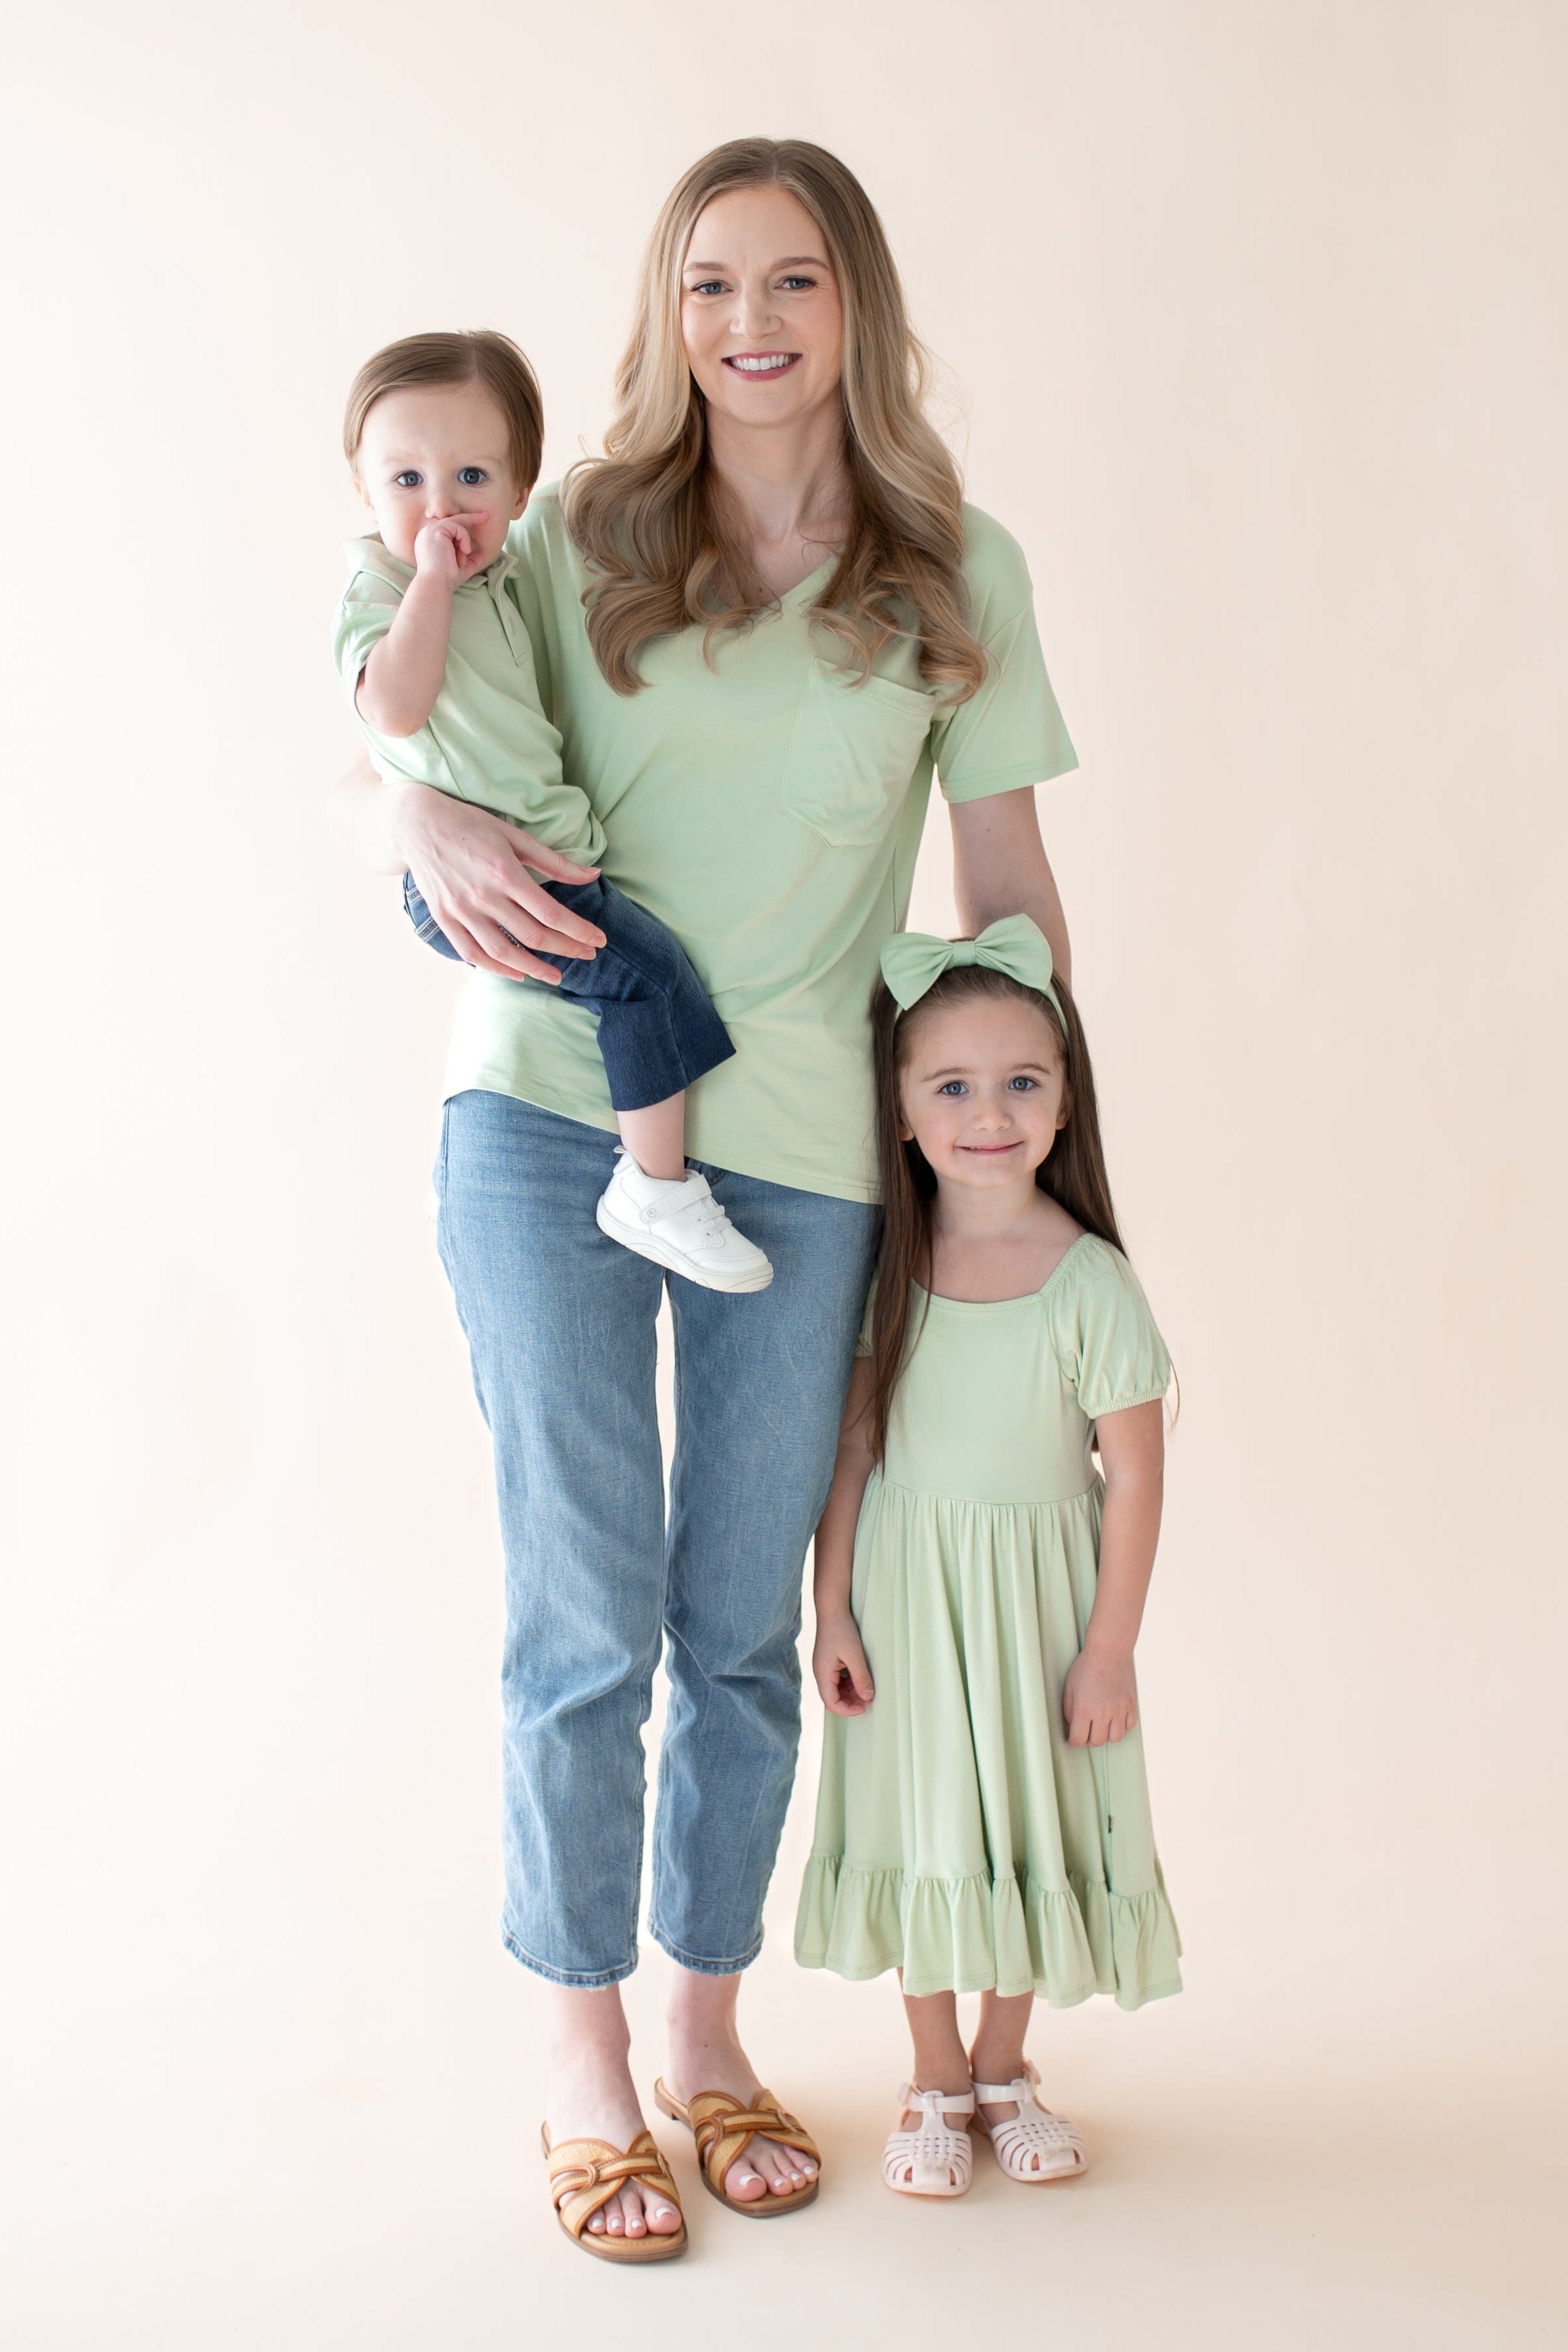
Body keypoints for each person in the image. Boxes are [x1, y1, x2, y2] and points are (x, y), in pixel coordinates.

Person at [336, 136, 1078, 2261]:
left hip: (813, 1151)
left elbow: (1005, 894)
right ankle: (581, 2059)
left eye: (788, 281)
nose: (746, 325)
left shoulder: (955, 571)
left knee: (736, 1632)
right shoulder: (567, 540)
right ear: (665, 320)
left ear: (857, 304)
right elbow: (393, 709)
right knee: (579, 1616)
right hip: (546, 1116)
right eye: (703, 286)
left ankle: (703, 2028)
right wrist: (401, 814)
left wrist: (1021, 1166)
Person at [795, 917, 1181, 2197]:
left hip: (1035, 1605)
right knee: (928, 1821)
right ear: (900, 1111)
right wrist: (831, 1606)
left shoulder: (1089, 1282)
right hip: (912, 1598)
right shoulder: (887, 1274)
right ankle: (929, 2075)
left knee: (1020, 1820)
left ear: (1064, 1101)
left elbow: (1131, 1469)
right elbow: (854, 1448)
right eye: (949, 1085)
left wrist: (1107, 1646)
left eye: (1021, 1080)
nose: (987, 1114)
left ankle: (1004, 2068)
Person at [336, 330, 770, 1292]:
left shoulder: (505, 576)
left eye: (472, 475)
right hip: (490, 875)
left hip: (541, 856)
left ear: (519, 491)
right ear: (364, 491)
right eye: (404, 478)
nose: (440, 504)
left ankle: (466, 1187)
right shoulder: (383, 587)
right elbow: (392, 709)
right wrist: (432, 584)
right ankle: (654, 1187)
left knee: (641, 983)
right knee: (649, 982)